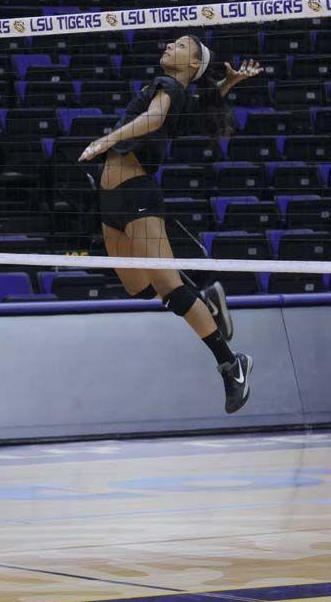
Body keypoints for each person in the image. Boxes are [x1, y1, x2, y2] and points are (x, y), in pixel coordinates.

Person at [79, 35, 263, 413]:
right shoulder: (175, 91)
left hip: (137, 195)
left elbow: (153, 119)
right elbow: (197, 106)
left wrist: (107, 139)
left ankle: (231, 364)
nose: (168, 46)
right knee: (138, 287)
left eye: (180, 46)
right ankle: (203, 296)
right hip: (110, 201)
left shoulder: (167, 89)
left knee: (167, 284)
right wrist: (226, 84)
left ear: (192, 65)